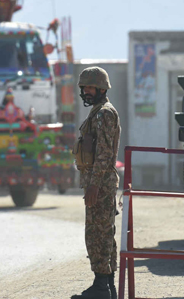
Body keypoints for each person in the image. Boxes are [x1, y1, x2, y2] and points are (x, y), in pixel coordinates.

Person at [71, 66, 121, 299]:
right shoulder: (98, 112)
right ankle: (107, 286)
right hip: (98, 182)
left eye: (90, 87)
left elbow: (103, 153)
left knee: (97, 235)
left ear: (102, 88)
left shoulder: (104, 114)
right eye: (84, 88)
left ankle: (102, 287)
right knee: (103, 234)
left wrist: (94, 185)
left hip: (99, 183)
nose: (86, 91)